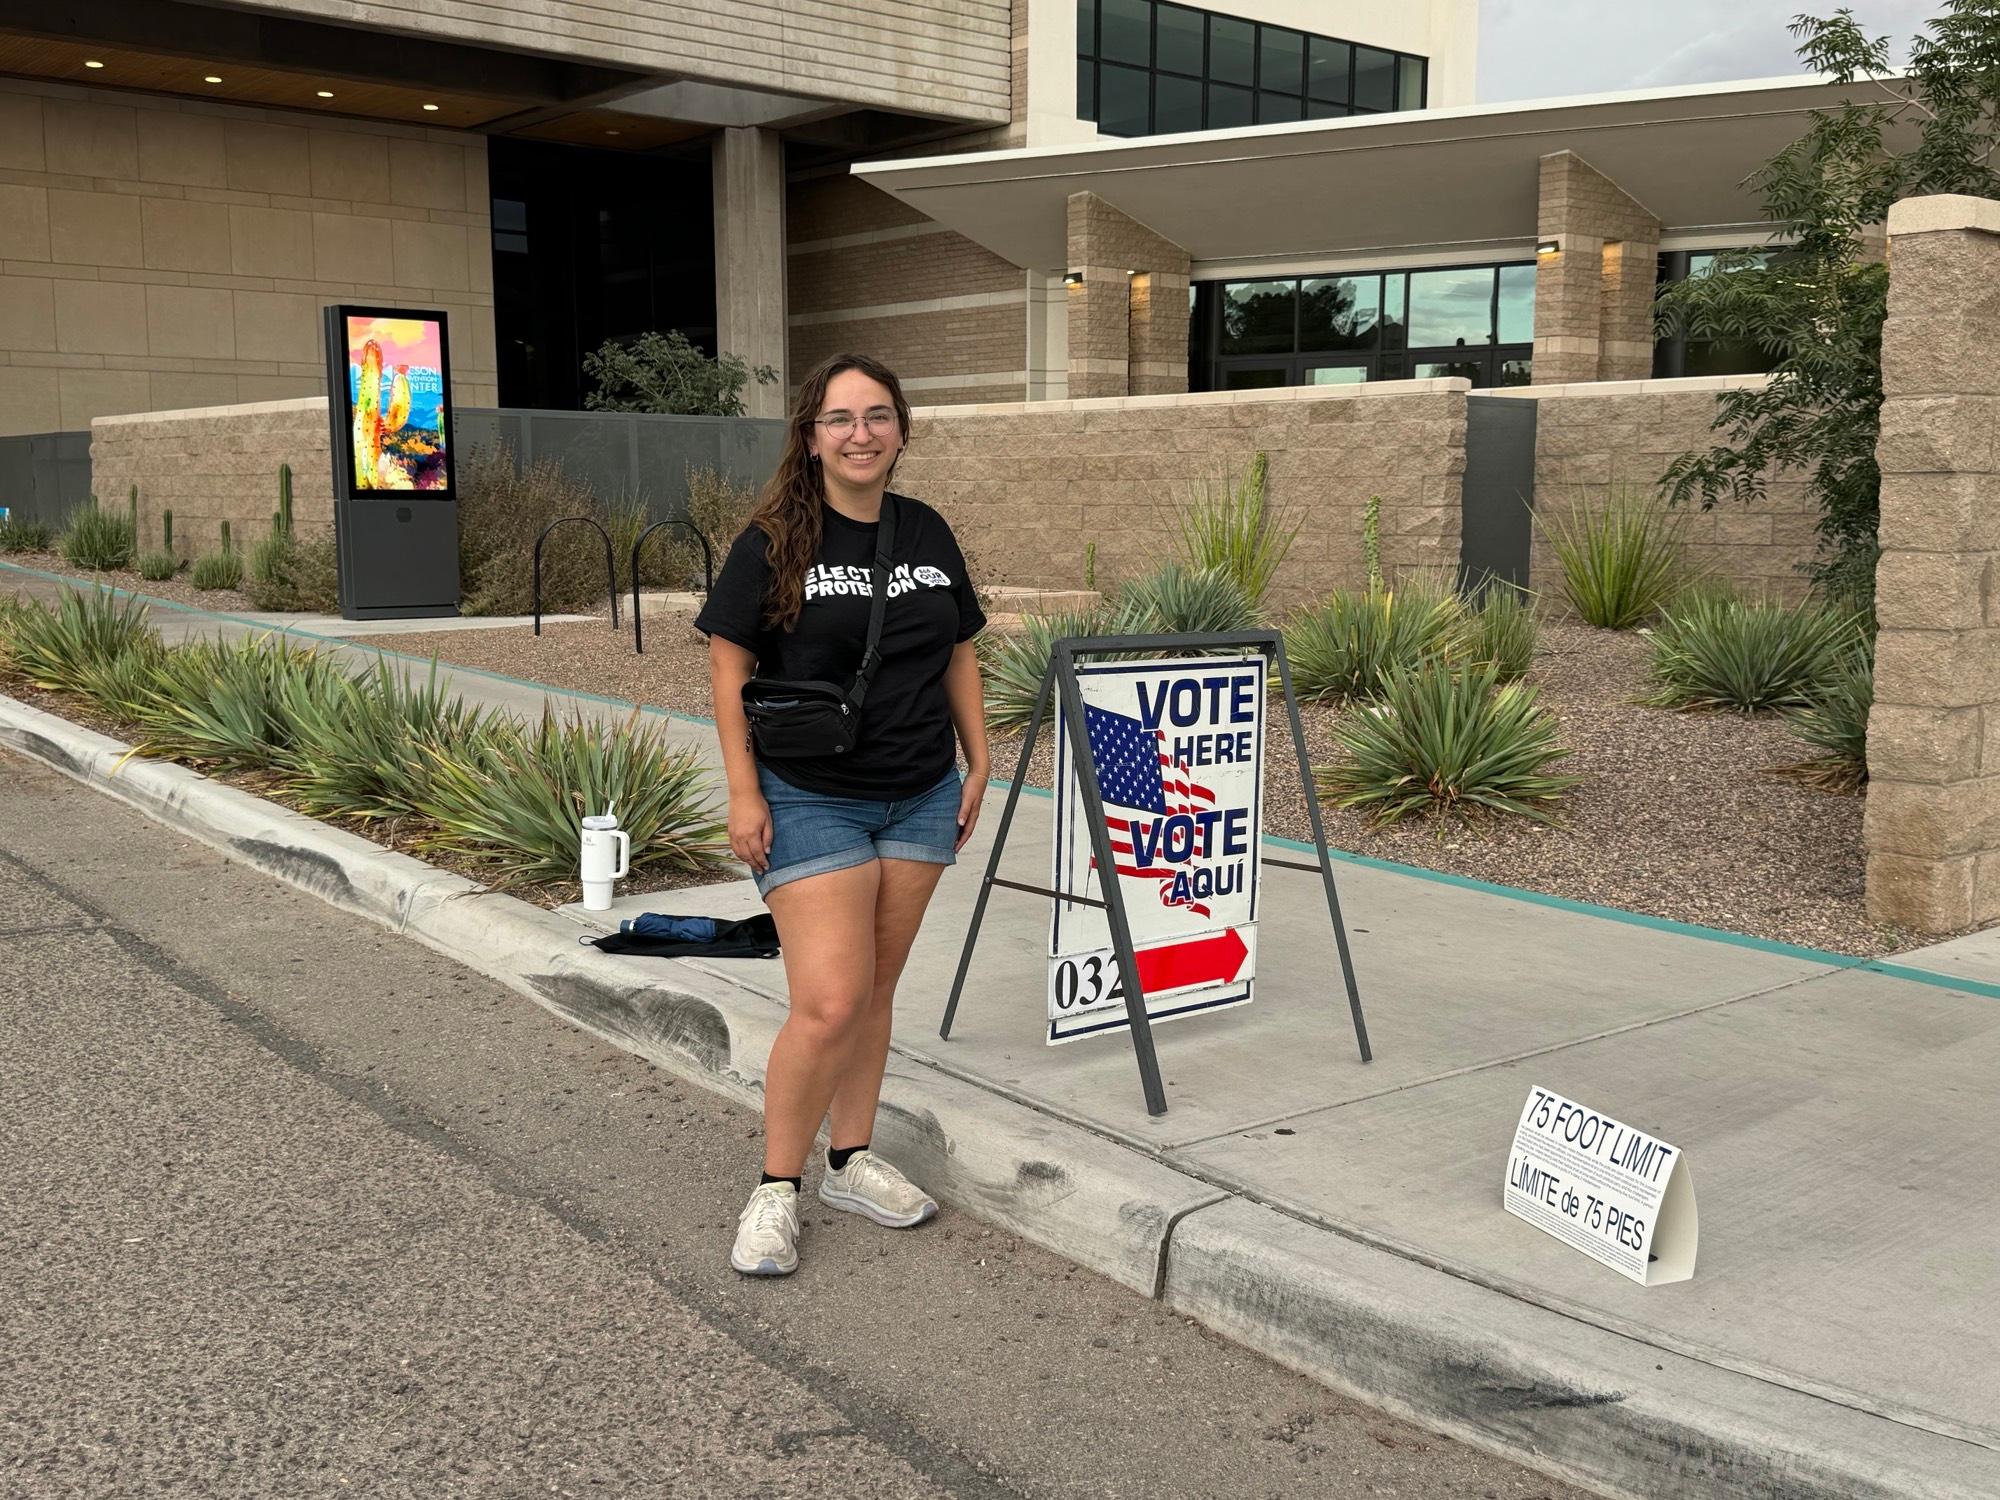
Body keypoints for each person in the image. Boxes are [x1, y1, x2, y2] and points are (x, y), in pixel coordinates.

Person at [694, 351, 989, 1277]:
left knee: (874, 991)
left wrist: (979, 760)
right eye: (839, 419)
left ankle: (850, 1160)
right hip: (808, 795)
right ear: (811, 437)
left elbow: (961, 652)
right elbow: (727, 666)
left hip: (919, 791)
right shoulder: (775, 540)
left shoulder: (927, 532)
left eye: (876, 416)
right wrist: (744, 791)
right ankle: (776, 1186)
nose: (860, 433)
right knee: (826, 1002)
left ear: (901, 428)